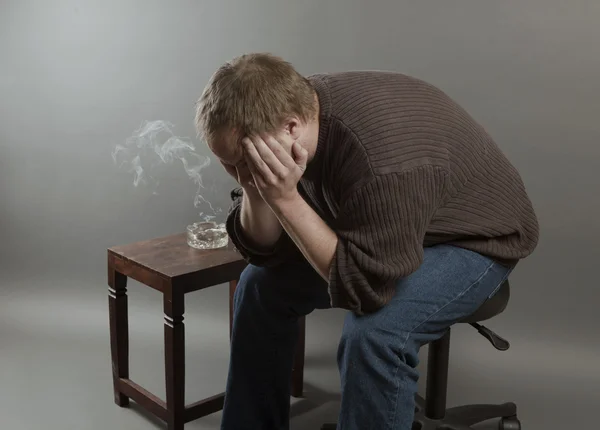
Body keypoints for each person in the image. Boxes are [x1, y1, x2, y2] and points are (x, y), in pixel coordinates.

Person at [194, 52, 539, 430]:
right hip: (389, 224)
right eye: (228, 163)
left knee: (374, 335)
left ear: (291, 127)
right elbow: (263, 251)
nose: (236, 173)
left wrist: (285, 199)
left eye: (244, 162)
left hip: (474, 239)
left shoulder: (380, 161)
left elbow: (364, 289)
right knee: (258, 287)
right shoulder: (289, 113)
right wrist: (257, 190)